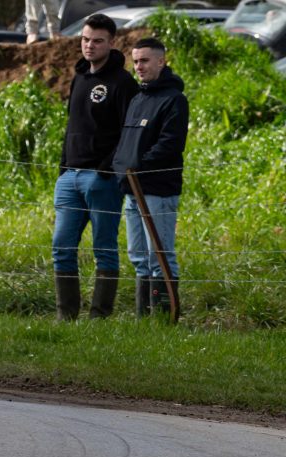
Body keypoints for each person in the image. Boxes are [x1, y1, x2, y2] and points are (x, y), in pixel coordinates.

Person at [52, 13, 139, 321]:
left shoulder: (123, 82)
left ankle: (99, 316)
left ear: (111, 43)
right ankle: (66, 316)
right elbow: (71, 126)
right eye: (85, 39)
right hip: (69, 178)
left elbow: (128, 133)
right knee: (61, 247)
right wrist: (63, 168)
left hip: (101, 180)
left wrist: (106, 169)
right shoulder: (79, 77)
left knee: (103, 248)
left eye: (97, 41)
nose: (89, 46)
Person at [113, 37, 189, 318]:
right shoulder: (138, 98)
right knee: (138, 256)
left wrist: (137, 168)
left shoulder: (175, 100)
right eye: (135, 61)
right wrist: (122, 169)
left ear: (161, 61)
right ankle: (143, 318)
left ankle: (166, 319)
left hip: (157, 191)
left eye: (144, 60)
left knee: (160, 256)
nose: (139, 66)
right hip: (132, 189)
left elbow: (170, 144)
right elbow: (126, 142)